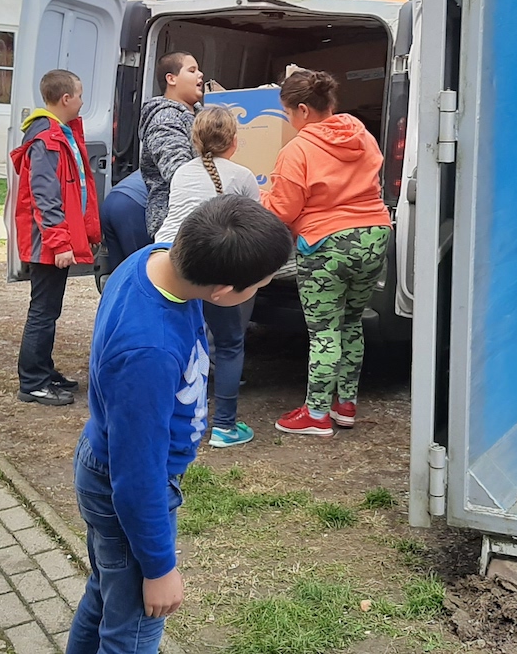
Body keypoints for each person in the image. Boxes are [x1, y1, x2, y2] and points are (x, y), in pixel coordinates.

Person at [68, 195, 292, 654]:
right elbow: (137, 479)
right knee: (133, 631)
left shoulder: (154, 259)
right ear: (223, 293)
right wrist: (158, 568)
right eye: (259, 286)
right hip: (127, 485)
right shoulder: (147, 353)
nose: (259, 290)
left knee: (107, 594)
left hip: (112, 462)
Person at [262, 70, 393, 437]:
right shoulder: (360, 133)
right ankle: (345, 405)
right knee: (352, 321)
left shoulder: (298, 150)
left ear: (303, 110)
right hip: (375, 235)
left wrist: (260, 196)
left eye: (288, 112)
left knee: (324, 331)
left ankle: (317, 413)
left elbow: (283, 210)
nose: (288, 119)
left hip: (328, 244)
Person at [155, 105, 263, 448]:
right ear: (234, 140)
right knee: (229, 343)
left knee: (181, 341)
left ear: (195, 140)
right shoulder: (243, 176)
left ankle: (177, 420)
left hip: (168, 262)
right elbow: (255, 230)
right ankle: (224, 427)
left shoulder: (181, 173)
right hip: (216, 265)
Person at [11, 69, 102, 405]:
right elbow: (45, 196)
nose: (81, 101)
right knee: (43, 311)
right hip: (47, 243)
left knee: (48, 310)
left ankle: (43, 371)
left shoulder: (59, 133)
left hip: (51, 240)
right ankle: (33, 382)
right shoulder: (47, 139)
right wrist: (60, 243)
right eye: (79, 95)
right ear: (66, 98)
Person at [139, 51, 205, 237]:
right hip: (176, 224)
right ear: (171, 79)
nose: (200, 74)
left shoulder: (200, 116)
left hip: (204, 217)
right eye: (192, 70)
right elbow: (178, 173)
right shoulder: (164, 119)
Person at [101, 169, 153, 275]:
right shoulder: (181, 172)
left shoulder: (154, 165)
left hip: (110, 201)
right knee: (140, 265)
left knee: (118, 268)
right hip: (132, 205)